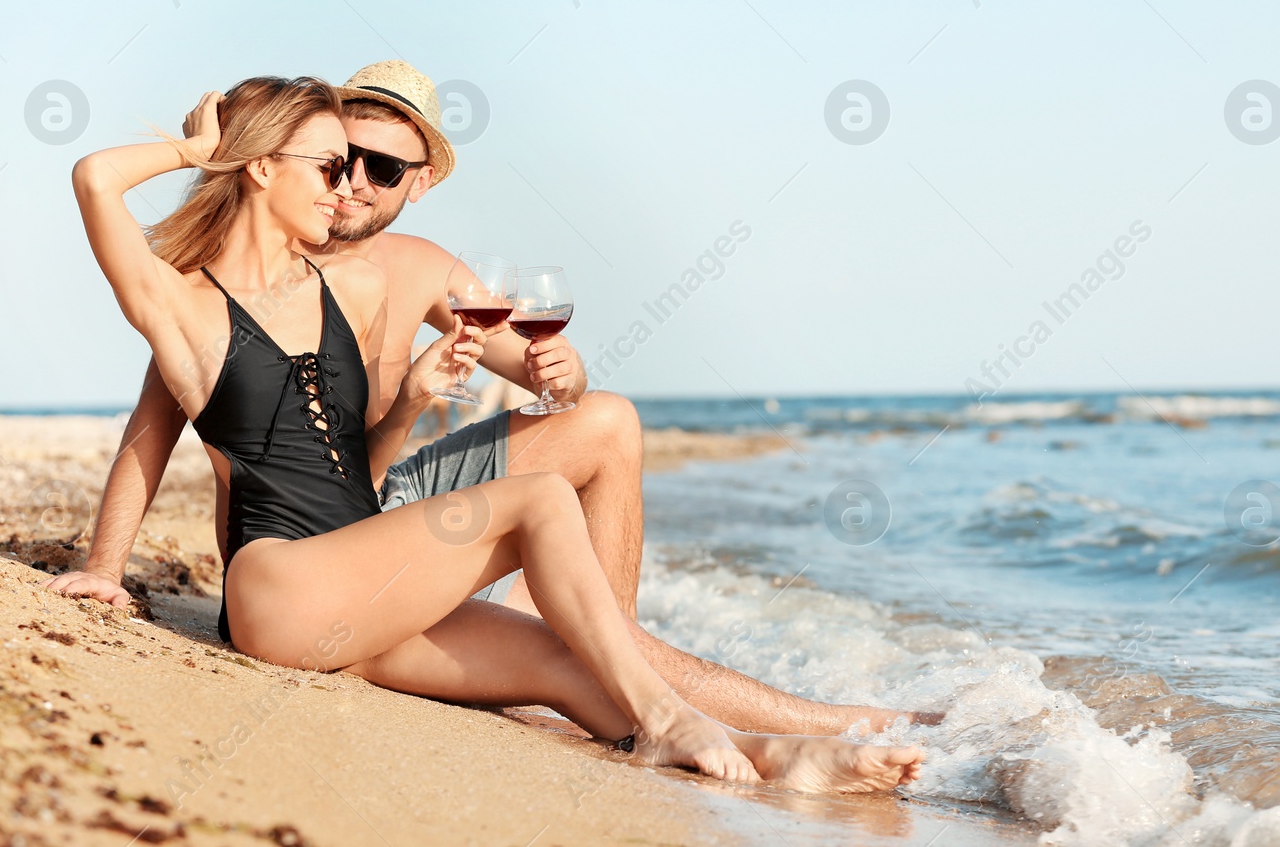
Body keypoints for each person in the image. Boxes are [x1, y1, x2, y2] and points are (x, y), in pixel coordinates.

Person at [60, 74, 922, 790]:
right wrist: (195, 150)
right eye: (328, 167)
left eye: (361, 169)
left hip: (363, 580)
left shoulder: (351, 286)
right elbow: (95, 178)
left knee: (560, 659)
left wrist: (440, 394)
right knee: (539, 500)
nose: (345, 186)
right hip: (277, 584)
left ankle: (787, 758)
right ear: (258, 169)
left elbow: (442, 359)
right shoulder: (185, 307)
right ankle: (668, 719)